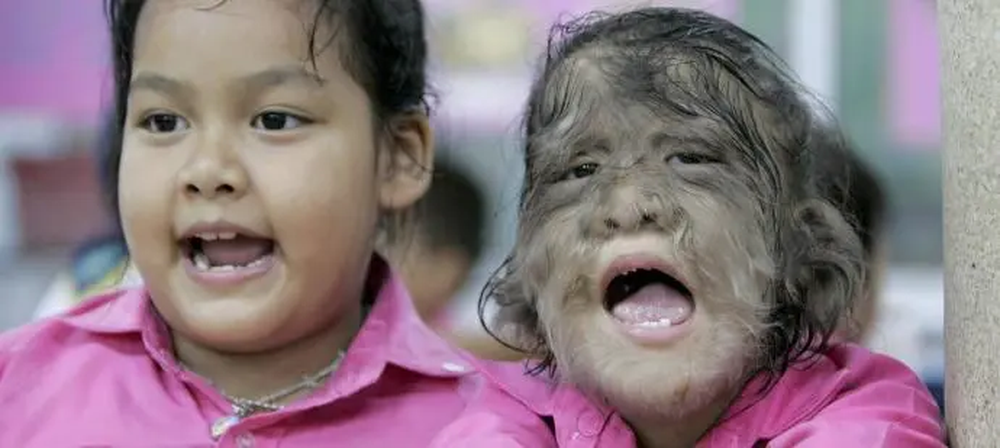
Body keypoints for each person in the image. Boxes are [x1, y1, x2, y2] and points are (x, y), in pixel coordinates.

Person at [431, 8, 945, 447]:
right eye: (580, 171)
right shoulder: (492, 418)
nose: (629, 205)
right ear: (529, 264)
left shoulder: (869, 415)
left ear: (798, 238)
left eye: (691, 159)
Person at [0, 0, 487, 445]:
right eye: (163, 122)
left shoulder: (491, 426)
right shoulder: (17, 393)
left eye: (274, 120)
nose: (209, 172)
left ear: (399, 157)